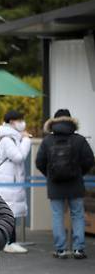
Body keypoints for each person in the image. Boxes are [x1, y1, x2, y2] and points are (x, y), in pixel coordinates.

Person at [36, 109, 95, 259]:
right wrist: (79, 173)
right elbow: (90, 160)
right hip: (75, 184)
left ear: (53, 122)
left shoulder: (48, 140)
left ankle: (60, 249)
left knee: (57, 216)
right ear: (70, 121)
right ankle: (78, 249)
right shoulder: (79, 140)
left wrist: (50, 175)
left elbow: (39, 162)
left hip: (55, 185)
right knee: (77, 215)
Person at [0, 110, 31, 254]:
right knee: (7, 212)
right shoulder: (7, 139)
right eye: (19, 120)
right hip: (7, 182)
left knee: (10, 212)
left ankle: (10, 241)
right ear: (11, 122)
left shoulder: (12, 138)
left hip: (11, 181)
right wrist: (27, 140)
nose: (22, 123)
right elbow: (18, 157)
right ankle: (7, 242)